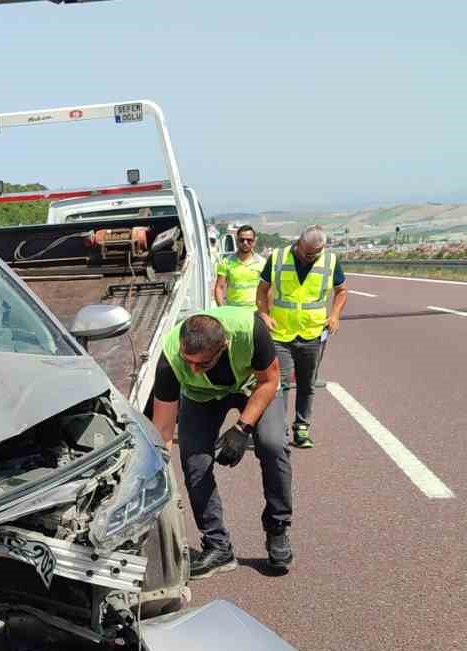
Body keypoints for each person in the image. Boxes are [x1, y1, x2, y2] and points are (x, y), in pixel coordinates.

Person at [149, 306, 293, 578]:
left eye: (201, 363)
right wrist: (158, 475)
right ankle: (218, 547)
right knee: (194, 461)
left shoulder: (250, 330)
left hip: (253, 386)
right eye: (187, 359)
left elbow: (270, 380)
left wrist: (241, 429)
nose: (191, 367)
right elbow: (164, 429)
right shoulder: (170, 358)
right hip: (201, 396)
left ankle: (277, 528)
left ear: (224, 345)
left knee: (273, 444)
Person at [256, 225, 347, 450]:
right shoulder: (278, 257)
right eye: (305, 252)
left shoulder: (330, 261)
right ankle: (279, 430)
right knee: (280, 384)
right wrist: (264, 314)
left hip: (313, 333)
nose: (308, 257)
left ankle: (302, 428)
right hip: (281, 333)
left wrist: (334, 315)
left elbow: (342, 290)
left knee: (307, 384)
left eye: (314, 254)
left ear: (322, 249)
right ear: (298, 243)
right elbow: (262, 289)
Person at [214, 225, 265, 307]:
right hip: (233, 312)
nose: (245, 243)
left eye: (249, 240)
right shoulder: (226, 262)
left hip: (254, 313)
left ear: (254, 241)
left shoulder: (262, 263)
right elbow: (219, 287)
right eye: (242, 240)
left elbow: (267, 290)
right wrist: (222, 309)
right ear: (237, 241)